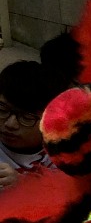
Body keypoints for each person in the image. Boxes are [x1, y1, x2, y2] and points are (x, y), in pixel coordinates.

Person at [0, 60, 63, 190]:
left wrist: (23, 185)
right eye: (3, 110)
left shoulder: (65, 155)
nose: (10, 124)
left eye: (26, 117)